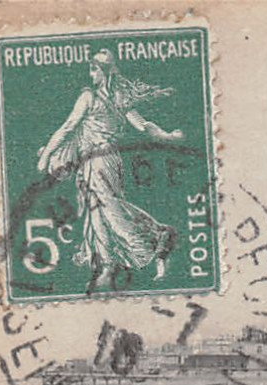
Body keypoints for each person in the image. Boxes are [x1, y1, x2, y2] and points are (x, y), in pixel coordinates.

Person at [35, 50, 182, 291]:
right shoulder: (118, 97)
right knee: (97, 210)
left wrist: (48, 156)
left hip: (99, 160)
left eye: (94, 69)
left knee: (108, 208)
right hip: (107, 159)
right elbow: (143, 125)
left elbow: (67, 127)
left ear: (103, 72)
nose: (90, 74)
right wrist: (167, 134)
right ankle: (106, 264)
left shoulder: (89, 97)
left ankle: (157, 236)